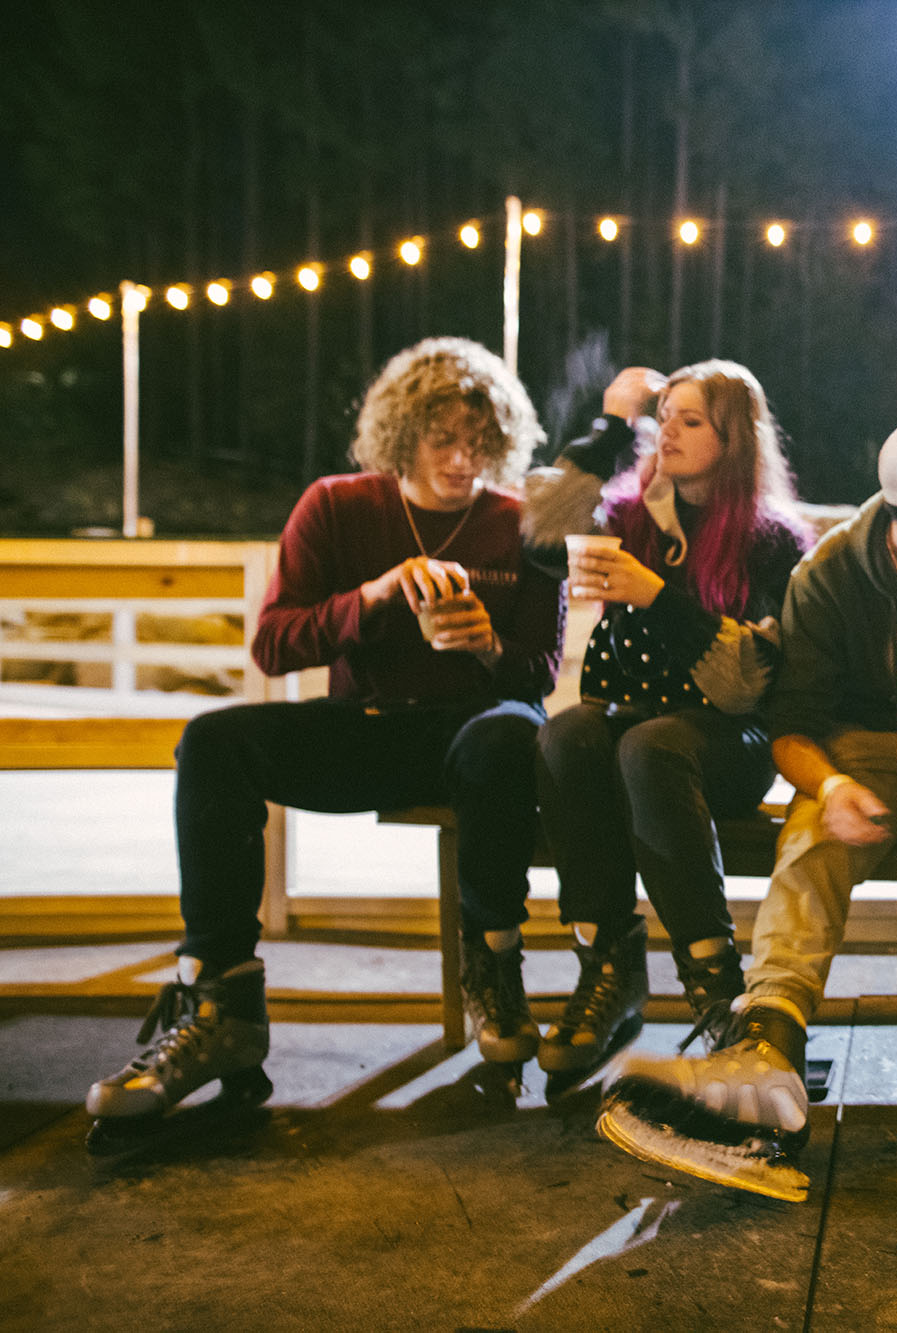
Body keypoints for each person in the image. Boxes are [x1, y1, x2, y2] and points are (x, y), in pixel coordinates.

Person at [85, 337, 561, 1141]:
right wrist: (372, 597)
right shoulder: (339, 505)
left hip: (474, 733)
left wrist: (485, 644)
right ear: (401, 435)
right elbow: (274, 644)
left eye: (480, 442)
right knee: (212, 740)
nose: (461, 458)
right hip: (365, 729)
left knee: (506, 735)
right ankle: (221, 1001)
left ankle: (495, 965)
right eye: (443, 439)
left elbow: (539, 673)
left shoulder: (520, 524)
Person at [601, 409, 897, 1196]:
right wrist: (835, 786)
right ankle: (768, 1042)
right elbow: (792, 731)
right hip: (867, 752)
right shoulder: (830, 575)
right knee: (812, 831)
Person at [522, 361, 809, 1077]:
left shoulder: (772, 538)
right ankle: (607, 965)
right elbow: (535, 539)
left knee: (650, 746)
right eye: (665, 417)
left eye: (692, 420)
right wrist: (611, 427)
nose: (669, 432)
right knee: (567, 731)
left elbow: (751, 683)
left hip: (728, 740)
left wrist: (657, 596)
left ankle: (718, 994)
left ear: (734, 437)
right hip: (634, 724)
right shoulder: (626, 516)